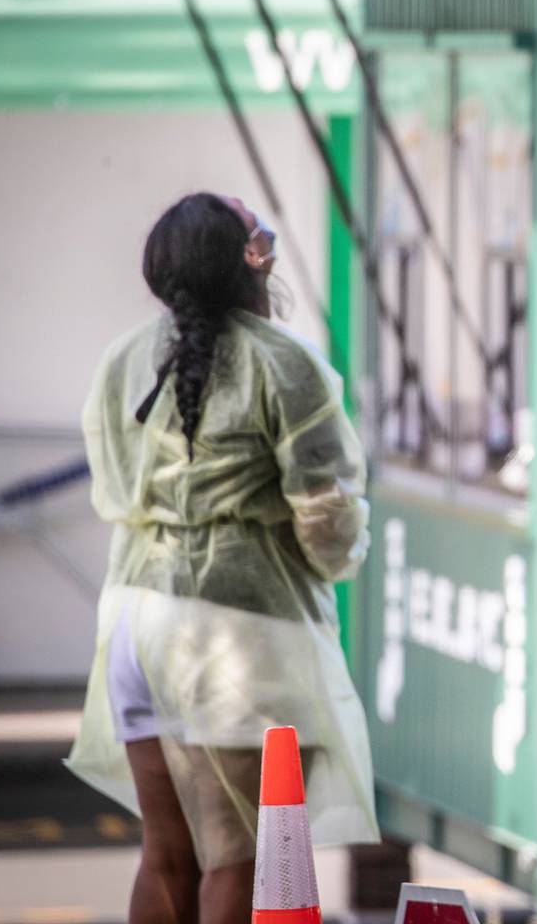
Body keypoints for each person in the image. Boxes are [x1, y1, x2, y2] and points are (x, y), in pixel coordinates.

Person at [67, 193, 378, 923]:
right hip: (241, 632)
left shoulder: (123, 358)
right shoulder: (286, 363)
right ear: (251, 260)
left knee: (166, 855)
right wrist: (330, 565)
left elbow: (110, 488)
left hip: (135, 623)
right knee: (236, 857)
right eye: (258, 234)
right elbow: (327, 516)